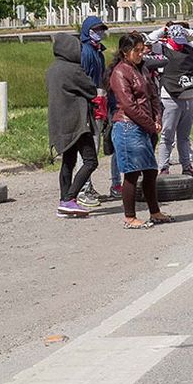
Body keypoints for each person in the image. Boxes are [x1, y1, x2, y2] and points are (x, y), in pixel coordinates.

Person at [107, 32, 172, 228]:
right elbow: (129, 106)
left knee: (151, 172)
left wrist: (157, 118)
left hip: (145, 127)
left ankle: (155, 212)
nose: (141, 54)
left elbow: (153, 96)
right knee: (132, 173)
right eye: (136, 50)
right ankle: (129, 217)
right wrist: (151, 125)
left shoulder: (142, 69)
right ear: (125, 52)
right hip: (127, 127)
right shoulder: (120, 73)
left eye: (142, 49)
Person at [47, 33, 101, 218]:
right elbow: (91, 89)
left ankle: (64, 202)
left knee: (68, 162)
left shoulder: (52, 69)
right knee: (91, 161)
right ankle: (71, 198)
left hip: (59, 122)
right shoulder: (73, 70)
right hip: (77, 123)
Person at [147, 22, 193, 177]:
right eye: (177, 40)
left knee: (184, 136)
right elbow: (149, 40)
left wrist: (186, 31)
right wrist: (164, 30)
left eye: (182, 40)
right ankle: (163, 167)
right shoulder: (162, 48)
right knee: (167, 136)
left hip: (190, 97)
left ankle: (187, 167)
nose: (181, 44)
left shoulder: (190, 47)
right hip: (170, 97)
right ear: (170, 38)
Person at [78, 15, 108, 203]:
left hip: (99, 102)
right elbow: (82, 79)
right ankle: (82, 188)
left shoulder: (98, 53)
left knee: (95, 147)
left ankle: (87, 185)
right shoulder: (86, 52)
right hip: (89, 103)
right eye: (96, 29)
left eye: (101, 29)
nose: (99, 33)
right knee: (89, 148)